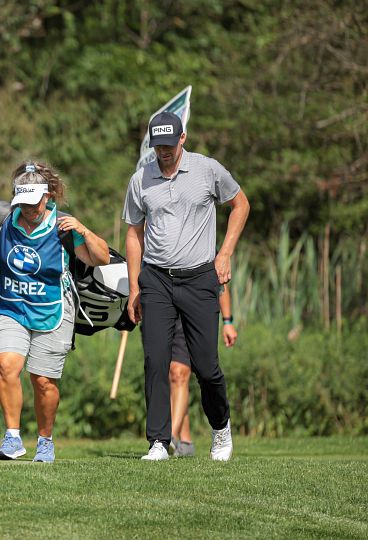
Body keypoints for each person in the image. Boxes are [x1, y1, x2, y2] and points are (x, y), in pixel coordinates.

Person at [123, 111, 250, 461]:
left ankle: (221, 428)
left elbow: (241, 205)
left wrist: (224, 253)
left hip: (199, 278)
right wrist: (135, 286)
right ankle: (159, 442)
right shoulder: (140, 179)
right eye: (157, 145)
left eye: (168, 144)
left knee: (206, 366)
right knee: (156, 359)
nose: (162, 151)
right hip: (157, 279)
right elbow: (134, 233)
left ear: (183, 138)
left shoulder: (208, 170)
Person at [0, 161, 110, 463]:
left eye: (34, 203)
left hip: (53, 310)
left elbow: (102, 257)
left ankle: (45, 440)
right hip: (11, 305)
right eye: (23, 203)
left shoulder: (63, 225)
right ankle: (13, 438)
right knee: (7, 365)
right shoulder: (3, 216)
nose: (28, 209)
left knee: (43, 381)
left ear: (47, 197)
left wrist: (83, 230)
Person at [170, 284, 238, 456]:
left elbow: (220, 279)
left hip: (193, 307)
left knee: (179, 373)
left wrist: (227, 321)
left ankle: (169, 435)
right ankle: (185, 441)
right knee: (168, 375)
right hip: (161, 304)